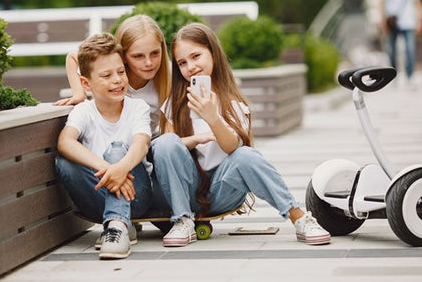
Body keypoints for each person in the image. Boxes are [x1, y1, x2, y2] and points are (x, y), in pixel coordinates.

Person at [150, 22, 331, 247]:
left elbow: (232, 147)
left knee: (246, 155)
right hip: (182, 190)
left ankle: (300, 218)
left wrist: (213, 118)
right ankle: (182, 221)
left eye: (196, 56)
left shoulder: (233, 103)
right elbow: (167, 149)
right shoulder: (173, 105)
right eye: (182, 63)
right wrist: (196, 139)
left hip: (221, 192)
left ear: (213, 53)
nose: (191, 66)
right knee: (165, 142)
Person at [54, 32, 152, 259]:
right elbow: (65, 141)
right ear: (86, 83)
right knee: (64, 163)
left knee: (117, 150)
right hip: (96, 199)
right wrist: (110, 169)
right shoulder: (84, 112)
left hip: (137, 196)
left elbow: (141, 143)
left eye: (121, 71)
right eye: (107, 75)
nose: (117, 80)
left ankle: (116, 227)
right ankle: (118, 223)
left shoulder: (137, 107)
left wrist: (121, 166)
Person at [53, 14, 171, 138]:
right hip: (112, 142)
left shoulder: (169, 74)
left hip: (150, 141)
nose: (148, 63)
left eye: (155, 53)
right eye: (138, 56)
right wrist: (79, 93)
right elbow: (72, 57)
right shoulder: (116, 74)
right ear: (123, 56)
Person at [380, 0, 422, 88]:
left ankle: (410, 77)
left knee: (410, 50)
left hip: (408, 22)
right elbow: (382, 3)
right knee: (392, 51)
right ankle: (393, 76)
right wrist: (383, 22)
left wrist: (419, 21)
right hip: (393, 22)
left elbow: (417, 3)